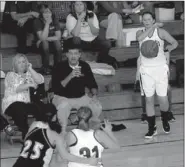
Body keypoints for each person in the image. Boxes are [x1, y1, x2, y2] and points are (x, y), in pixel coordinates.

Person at [12, 104, 99, 167]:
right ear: (54, 117)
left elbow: (26, 142)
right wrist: (88, 161)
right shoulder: (55, 136)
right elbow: (66, 156)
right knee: (61, 160)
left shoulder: (34, 125)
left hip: (18, 164)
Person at [136, 12, 178, 139]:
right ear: (142, 21)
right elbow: (140, 39)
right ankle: (152, 128)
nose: (147, 21)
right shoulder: (139, 32)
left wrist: (168, 49)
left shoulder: (161, 32)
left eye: (149, 19)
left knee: (162, 98)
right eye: (144, 20)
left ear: (153, 20)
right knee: (148, 99)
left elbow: (175, 43)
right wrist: (153, 27)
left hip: (160, 69)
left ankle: (164, 119)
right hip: (146, 70)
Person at [51, 44, 102, 134]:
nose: (73, 56)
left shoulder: (85, 66)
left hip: (80, 97)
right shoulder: (59, 66)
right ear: (66, 55)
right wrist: (70, 75)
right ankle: (63, 131)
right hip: (62, 97)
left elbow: (93, 85)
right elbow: (56, 88)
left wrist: (94, 96)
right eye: (70, 53)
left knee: (96, 106)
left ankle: (91, 129)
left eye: (75, 53)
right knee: (63, 106)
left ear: (79, 55)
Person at [2, 54, 44, 139]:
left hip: (25, 104)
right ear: (15, 65)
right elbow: (17, 89)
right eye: (19, 62)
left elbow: (40, 81)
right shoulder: (10, 75)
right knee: (20, 107)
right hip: (11, 104)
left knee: (38, 107)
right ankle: (26, 134)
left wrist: (30, 69)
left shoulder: (29, 74)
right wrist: (30, 84)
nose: (22, 64)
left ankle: (42, 132)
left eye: (24, 62)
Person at [65, 1, 117, 67]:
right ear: (73, 6)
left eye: (81, 4)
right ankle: (80, 61)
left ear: (84, 5)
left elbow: (96, 32)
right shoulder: (70, 17)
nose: (79, 7)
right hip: (80, 41)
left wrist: (90, 23)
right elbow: (75, 34)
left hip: (92, 40)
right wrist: (79, 19)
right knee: (76, 39)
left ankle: (101, 59)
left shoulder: (91, 14)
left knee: (106, 43)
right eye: (77, 5)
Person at [33, 4, 62, 75]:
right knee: (45, 43)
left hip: (52, 45)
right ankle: (45, 67)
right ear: (41, 13)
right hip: (40, 46)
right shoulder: (37, 21)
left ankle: (58, 67)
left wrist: (45, 39)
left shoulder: (55, 20)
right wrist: (47, 24)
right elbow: (42, 38)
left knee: (57, 42)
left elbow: (58, 36)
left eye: (49, 12)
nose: (47, 14)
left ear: (52, 13)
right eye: (45, 12)